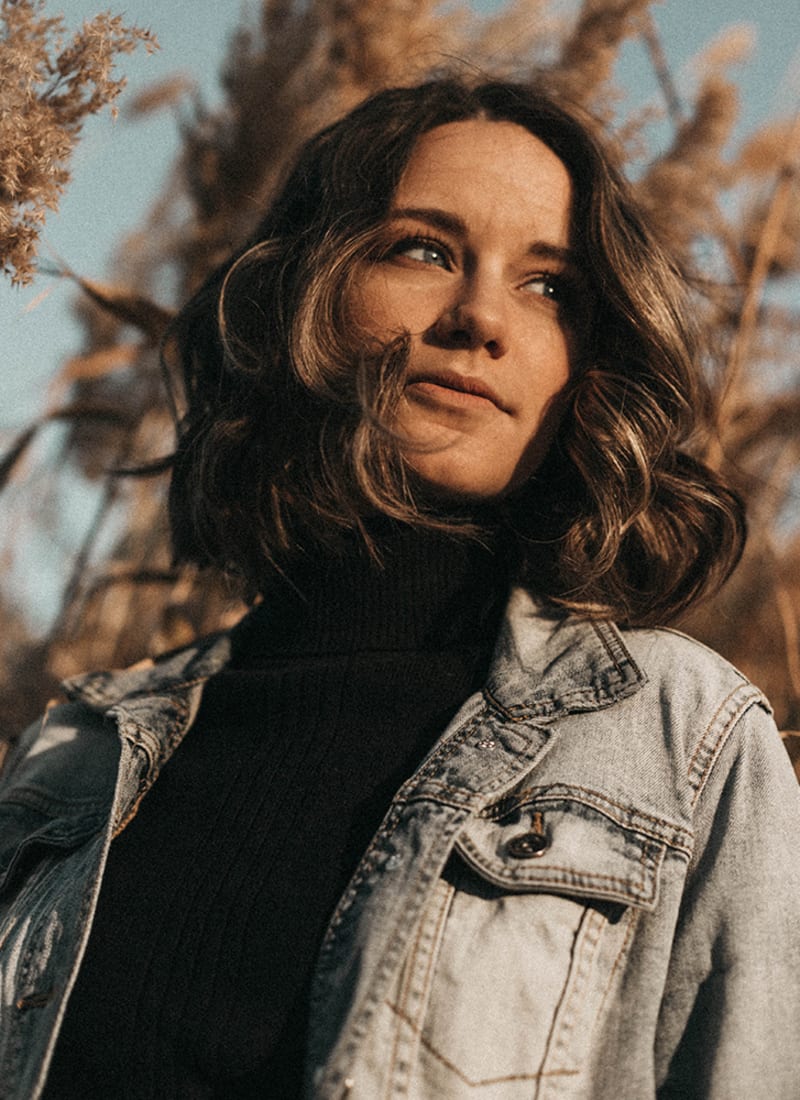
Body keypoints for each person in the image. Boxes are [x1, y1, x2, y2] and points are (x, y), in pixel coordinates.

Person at [0, 77, 798, 1100]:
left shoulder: (682, 738)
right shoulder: (76, 757)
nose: (479, 318)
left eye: (549, 285)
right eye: (421, 248)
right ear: (300, 287)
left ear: (584, 363)